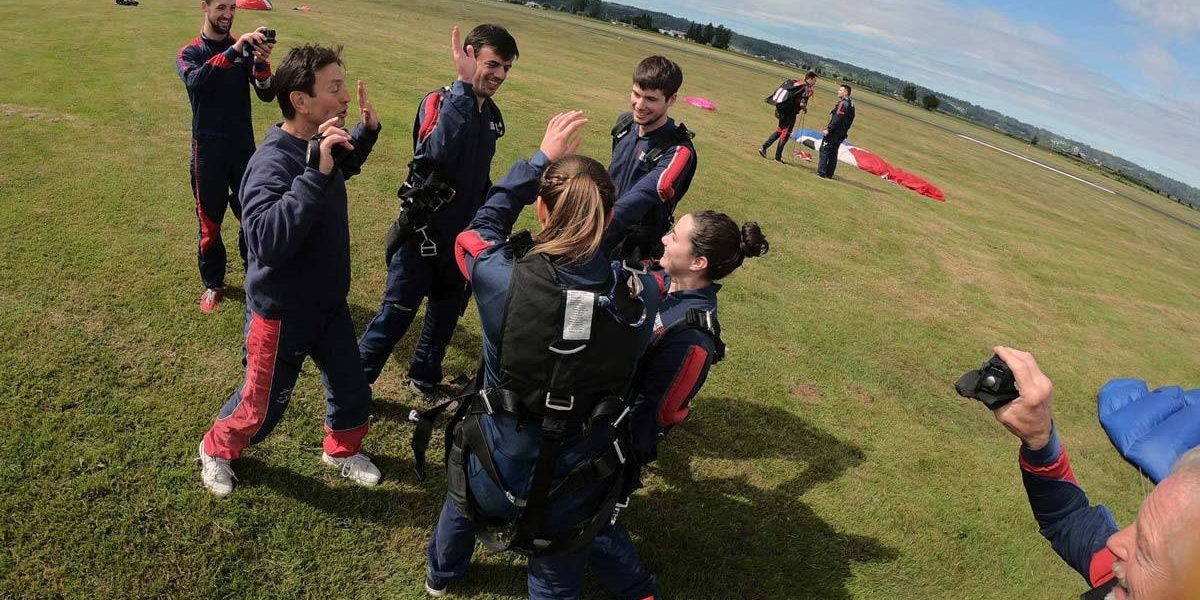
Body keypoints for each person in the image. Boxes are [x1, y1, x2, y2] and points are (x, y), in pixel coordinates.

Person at [423, 112, 666, 599]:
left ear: (540, 211)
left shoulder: (499, 277)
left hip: (494, 465)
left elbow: (477, 229)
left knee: (462, 501)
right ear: (607, 214)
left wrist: (537, 162)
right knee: (556, 569)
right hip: (575, 484)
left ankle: (441, 576)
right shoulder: (643, 296)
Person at [196, 44, 383, 497]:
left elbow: (342, 164)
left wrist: (367, 132)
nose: (342, 97)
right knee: (259, 410)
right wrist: (315, 173)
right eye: (333, 88)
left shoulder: (320, 143)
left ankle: (339, 449)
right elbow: (266, 241)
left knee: (353, 392)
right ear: (300, 100)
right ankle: (216, 448)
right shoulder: (270, 162)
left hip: (327, 306)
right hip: (280, 316)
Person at [588, 210, 769, 599]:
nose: (665, 239)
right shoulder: (664, 282)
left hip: (614, 441)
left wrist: (607, 455)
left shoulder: (693, 338)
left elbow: (660, 413)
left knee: (586, 520)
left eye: (675, 235)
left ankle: (639, 590)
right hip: (599, 412)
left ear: (698, 262)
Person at [358, 25, 518, 398]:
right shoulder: (439, 102)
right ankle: (355, 384)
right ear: (468, 56)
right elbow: (437, 157)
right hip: (423, 235)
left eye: (506, 68)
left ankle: (424, 376)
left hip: (460, 239)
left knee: (445, 316)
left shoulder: (491, 116)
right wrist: (463, 89)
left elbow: (478, 175)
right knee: (396, 315)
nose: (499, 75)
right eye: (492, 64)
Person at [987, 346, 1200, 600]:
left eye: (1144, 550)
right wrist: (1039, 439)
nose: (1114, 543)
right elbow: (1066, 518)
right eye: (1136, 525)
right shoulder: (1122, 583)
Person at [176, 0, 276, 313]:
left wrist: (260, 62)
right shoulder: (189, 53)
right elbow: (197, 82)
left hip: (243, 147)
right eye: (221, 7)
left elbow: (265, 92)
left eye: (232, 7)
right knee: (210, 223)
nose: (228, 15)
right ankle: (213, 282)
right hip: (207, 150)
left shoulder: (241, 48)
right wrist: (235, 52)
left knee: (252, 216)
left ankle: (255, 279)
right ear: (204, 7)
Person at [605, 56, 698, 263]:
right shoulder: (624, 125)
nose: (639, 105)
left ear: (671, 100)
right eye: (636, 94)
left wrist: (598, 223)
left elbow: (647, 193)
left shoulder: (678, 150)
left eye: (651, 99)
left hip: (634, 252)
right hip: (603, 234)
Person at [759, 71, 817, 162]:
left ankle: (763, 147)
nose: (814, 83)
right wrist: (804, 109)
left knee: (779, 130)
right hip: (790, 113)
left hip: (782, 111)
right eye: (814, 81)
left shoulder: (796, 82)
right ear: (810, 79)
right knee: (786, 133)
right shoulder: (806, 89)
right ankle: (777, 157)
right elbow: (802, 104)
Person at [817, 84, 855, 179]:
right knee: (833, 152)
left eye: (840, 90)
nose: (838, 91)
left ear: (846, 92)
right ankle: (829, 173)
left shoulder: (843, 103)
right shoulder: (852, 104)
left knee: (825, 149)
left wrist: (829, 129)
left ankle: (822, 172)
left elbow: (837, 118)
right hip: (842, 133)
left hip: (835, 131)